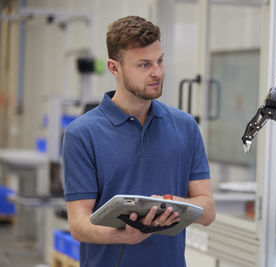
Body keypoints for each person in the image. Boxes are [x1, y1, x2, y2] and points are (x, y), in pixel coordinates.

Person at [62, 15, 216, 267]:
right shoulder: (82, 133)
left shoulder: (185, 126)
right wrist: (122, 236)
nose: (157, 72)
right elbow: (79, 225)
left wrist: (178, 205)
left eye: (160, 61)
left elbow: (207, 211)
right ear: (114, 68)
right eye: (144, 65)